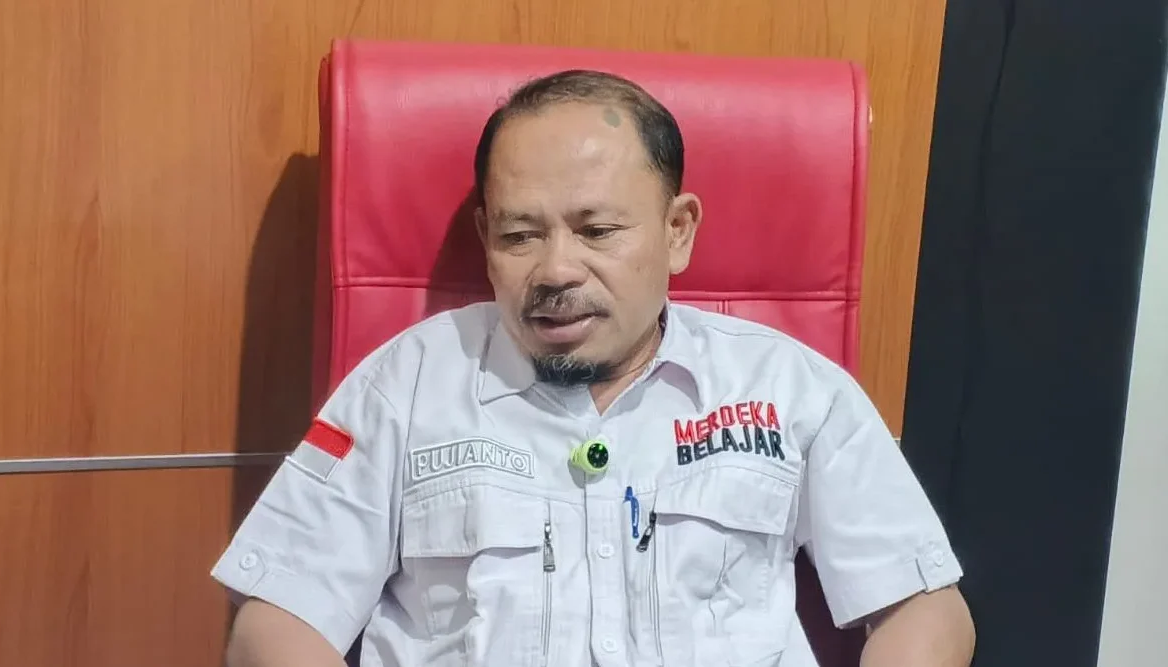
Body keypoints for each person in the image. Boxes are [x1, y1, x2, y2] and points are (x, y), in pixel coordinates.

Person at [212, 69, 975, 667]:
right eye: (519, 235)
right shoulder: (403, 385)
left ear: (677, 231)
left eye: (598, 230)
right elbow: (276, 617)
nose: (555, 269)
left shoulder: (789, 388)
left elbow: (923, 606)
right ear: (485, 236)